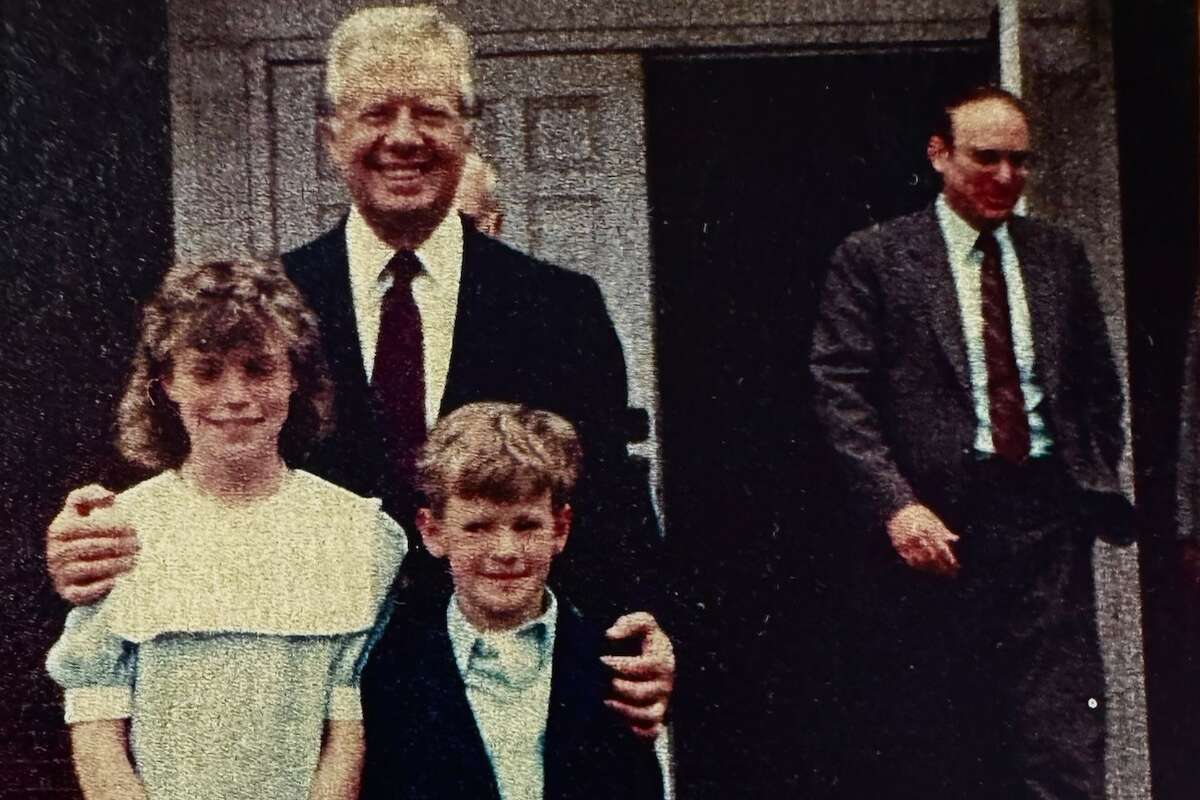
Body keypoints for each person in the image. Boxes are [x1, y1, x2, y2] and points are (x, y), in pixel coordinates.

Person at [44, 5, 672, 739]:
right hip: (305, 701)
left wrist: (652, 624)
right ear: (331, 133)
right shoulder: (266, 311)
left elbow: (610, 492)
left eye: (430, 113)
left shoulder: (559, 306)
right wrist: (88, 539)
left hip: (502, 694)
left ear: (468, 132)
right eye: (376, 112)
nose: (403, 137)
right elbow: (189, 466)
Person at [810, 85, 1131, 798]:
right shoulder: (878, 258)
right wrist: (897, 506)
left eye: (1021, 161)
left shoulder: (1057, 256)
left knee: (1061, 738)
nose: (1007, 178)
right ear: (939, 154)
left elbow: (1096, 385)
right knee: (944, 733)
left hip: (1046, 518)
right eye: (987, 158)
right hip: (938, 526)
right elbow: (840, 393)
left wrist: (1088, 474)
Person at [45, 258, 406, 800]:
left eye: (259, 369)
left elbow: (345, 723)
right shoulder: (120, 531)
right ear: (167, 382)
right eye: (206, 372)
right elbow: (96, 719)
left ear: (294, 378)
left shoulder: (353, 530)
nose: (234, 396)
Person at [360, 402, 663, 800]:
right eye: (478, 527)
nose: (505, 550)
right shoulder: (392, 671)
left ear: (560, 528)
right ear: (432, 532)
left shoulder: (612, 666)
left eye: (526, 525)